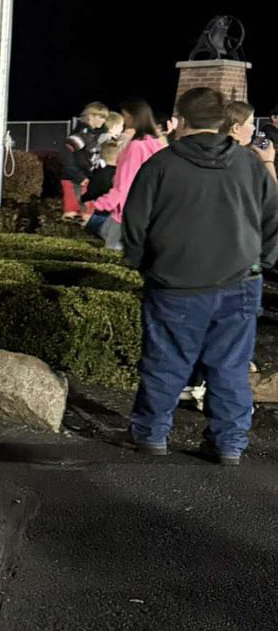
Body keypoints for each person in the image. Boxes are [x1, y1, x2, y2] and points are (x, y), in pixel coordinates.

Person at [123, 86, 278, 465]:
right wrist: (263, 261)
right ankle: (228, 443)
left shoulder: (161, 165)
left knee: (166, 361)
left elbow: (135, 225)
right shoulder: (249, 165)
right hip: (240, 281)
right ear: (223, 121)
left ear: (182, 121)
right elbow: (272, 218)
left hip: (175, 284)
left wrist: (142, 264)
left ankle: (152, 434)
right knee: (230, 366)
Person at [82, 99, 166, 250]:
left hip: (126, 215)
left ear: (134, 118)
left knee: (113, 256)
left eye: (126, 116)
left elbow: (124, 185)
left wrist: (96, 204)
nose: (125, 121)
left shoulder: (136, 147)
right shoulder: (154, 143)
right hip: (147, 212)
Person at [60, 102, 108, 219]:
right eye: (101, 117)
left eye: (105, 118)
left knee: (86, 213)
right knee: (73, 213)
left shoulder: (92, 135)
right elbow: (65, 154)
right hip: (76, 180)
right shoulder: (82, 134)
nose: (103, 120)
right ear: (90, 116)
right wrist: (79, 176)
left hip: (84, 179)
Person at [223, 99, 278, 184]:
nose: (254, 127)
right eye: (251, 123)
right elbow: (272, 194)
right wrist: (268, 162)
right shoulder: (267, 133)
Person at [82, 138, 120, 237]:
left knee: (91, 233)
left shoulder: (99, 174)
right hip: (116, 211)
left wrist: (84, 198)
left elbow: (92, 191)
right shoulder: (121, 174)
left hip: (101, 209)